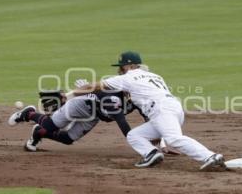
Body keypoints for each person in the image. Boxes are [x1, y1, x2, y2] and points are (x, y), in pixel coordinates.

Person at [70, 51, 226, 170]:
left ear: (130, 66)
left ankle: (210, 156)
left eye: (121, 66)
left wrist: (69, 94)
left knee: (174, 139)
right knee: (135, 135)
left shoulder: (127, 77)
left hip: (160, 109)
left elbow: (97, 86)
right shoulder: (154, 75)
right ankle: (151, 154)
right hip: (173, 107)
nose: (120, 69)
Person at [8, 90, 142, 152]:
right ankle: (29, 113)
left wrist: (162, 140)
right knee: (51, 125)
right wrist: (139, 144)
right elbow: (122, 123)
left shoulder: (138, 100)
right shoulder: (113, 97)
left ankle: (38, 132)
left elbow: (151, 116)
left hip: (94, 116)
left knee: (68, 139)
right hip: (80, 105)